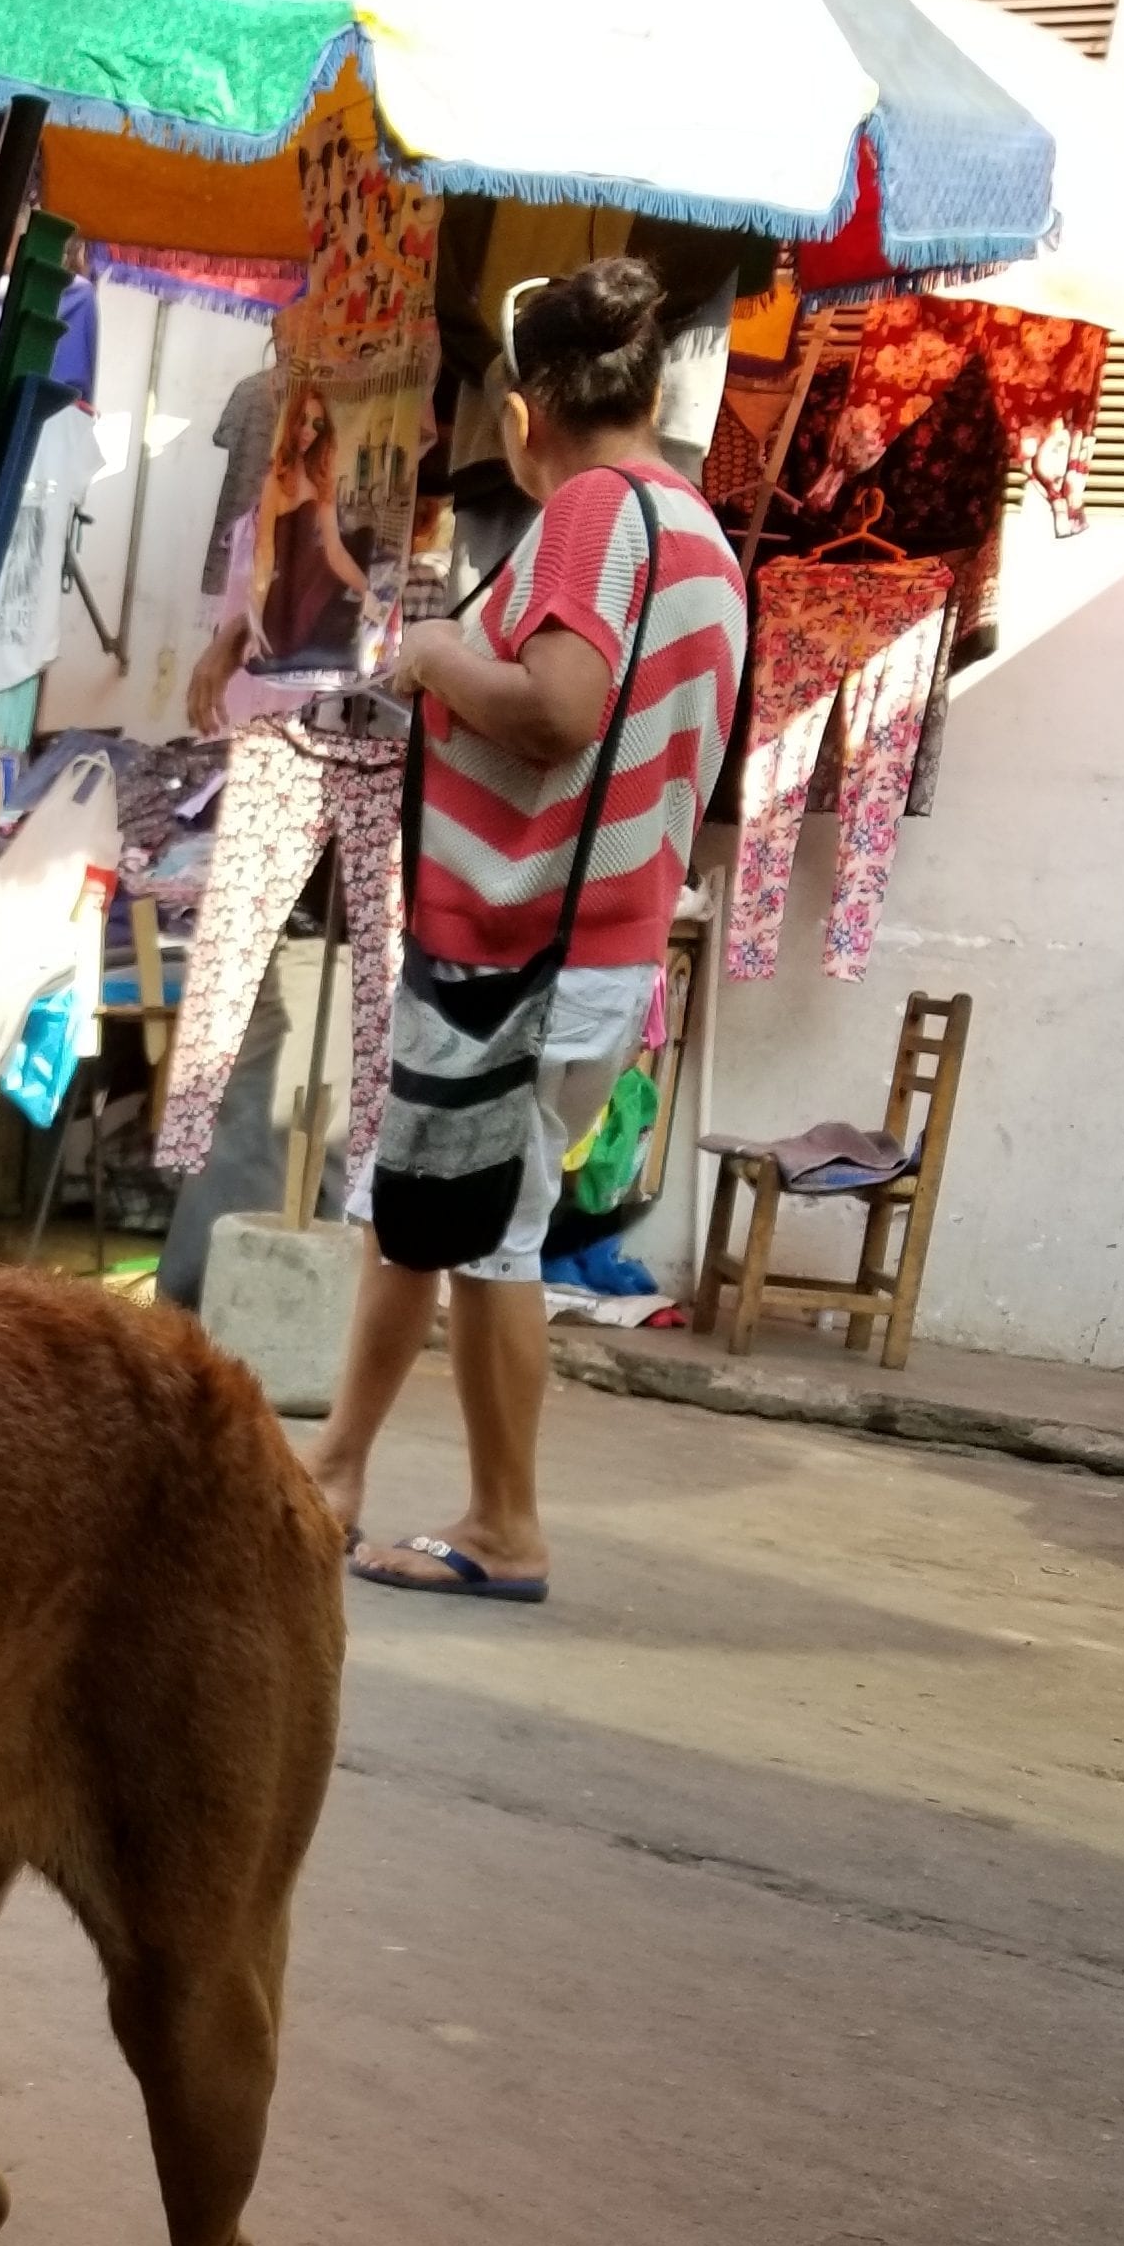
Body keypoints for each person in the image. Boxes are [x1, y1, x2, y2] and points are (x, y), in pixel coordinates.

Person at [306, 258, 747, 1603]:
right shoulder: (700, 539)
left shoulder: (590, 516)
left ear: (521, 417)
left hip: (524, 954)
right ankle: (336, 1468)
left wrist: (439, 655)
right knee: (414, 1206)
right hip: (582, 949)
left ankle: (506, 1526)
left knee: (485, 1226)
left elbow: (557, 708)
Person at [187, 368, 369, 734]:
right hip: (269, 585)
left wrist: (371, 594)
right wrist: (253, 619)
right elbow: (266, 552)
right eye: (303, 421)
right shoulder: (278, 477)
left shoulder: (322, 477)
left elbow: (333, 550)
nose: (307, 431)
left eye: (318, 425)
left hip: (308, 586)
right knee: (252, 707)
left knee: (295, 711)